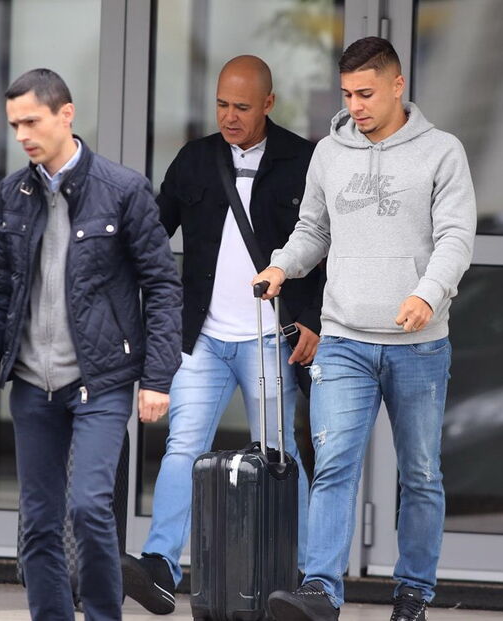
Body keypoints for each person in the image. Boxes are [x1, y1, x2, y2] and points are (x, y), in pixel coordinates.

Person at [256, 37, 477, 621]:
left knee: (422, 474)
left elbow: (456, 237)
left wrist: (427, 295)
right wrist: (283, 263)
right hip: (345, 340)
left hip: (419, 347)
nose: (354, 104)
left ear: (398, 86)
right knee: (332, 468)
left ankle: (413, 592)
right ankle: (322, 590)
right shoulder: (330, 152)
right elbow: (314, 230)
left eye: (367, 93)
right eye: (348, 93)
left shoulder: (442, 152)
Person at [0, 68, 182, 621]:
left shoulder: (123, 190)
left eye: (31, 121)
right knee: (38, 520)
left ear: (66, 114)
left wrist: (157, 378)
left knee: (88, 508)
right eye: (14, 125)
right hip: (34, 383)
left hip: (101, 381)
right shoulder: (14, 193)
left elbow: (161, 285)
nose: (22, 135)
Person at [120, 55, 323, 615]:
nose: (229, 117)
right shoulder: (196, 159)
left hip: (270, 339)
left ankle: (304, 578)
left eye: (241, 107)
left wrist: (312, 317)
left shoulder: (304, 161)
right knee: (183, 448)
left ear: (268, 104)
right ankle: (161, 566)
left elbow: (325, 248)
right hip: (203, 339)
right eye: (221, 105)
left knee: (280, 456)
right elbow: (152, 231)